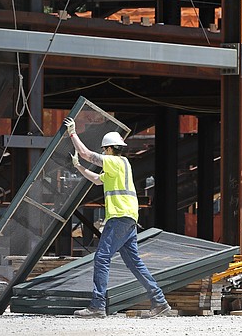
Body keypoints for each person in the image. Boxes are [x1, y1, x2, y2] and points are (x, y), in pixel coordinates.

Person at [63, 117, 171, 318]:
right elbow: (96, 180)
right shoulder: (120, 166)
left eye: (104, 150)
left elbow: (87, 154)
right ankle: (159, 301)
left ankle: (97, 305)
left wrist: (72, 134)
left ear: (110, 149)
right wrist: (77, 166)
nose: (103, 153)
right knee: (134, 263)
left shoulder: (115, 162)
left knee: (102, 258)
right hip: (128, 218)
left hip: (120, 217)